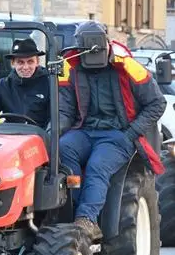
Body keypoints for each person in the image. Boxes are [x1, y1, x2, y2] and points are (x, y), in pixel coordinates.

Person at [58, 21, 166, 241]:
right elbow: (65, 108)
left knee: (98, 165)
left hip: (117, 134)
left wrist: (131, 133)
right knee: (62, 148)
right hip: (84, 132)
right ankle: (73, 210)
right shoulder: (71, 67)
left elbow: (157, 103)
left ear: (106, 42)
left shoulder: (128, 65)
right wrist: (54, 132)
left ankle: (87, 220)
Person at [0, 38, 52, 128]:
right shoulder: (2, 86)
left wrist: (49, 135)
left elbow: (56, 116)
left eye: (30, 62)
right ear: (12, 63)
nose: (25, 67)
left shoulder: (49, 83)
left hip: (41, 137)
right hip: (11, 136)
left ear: (37, 62)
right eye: (20, 62)